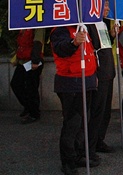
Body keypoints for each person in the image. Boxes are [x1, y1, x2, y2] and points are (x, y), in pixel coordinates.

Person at [50, 25, 99, 174]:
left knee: (83, 122)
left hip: (87, 80)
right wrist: (74, 43)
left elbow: (91, 51)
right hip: (70, 83)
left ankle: (77, 155)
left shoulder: (83, 27)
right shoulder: (60, 29)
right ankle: (68, 162)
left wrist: (93, 77)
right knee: (72, 124)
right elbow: (60, 49)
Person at [87, 0, 117, 156]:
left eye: (107, 5)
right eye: (105, 5)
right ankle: (89, 147)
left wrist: (112, 35)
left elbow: (104, 46)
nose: (107, 8)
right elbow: (91, 51)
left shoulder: (104, 24)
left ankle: (99, 140)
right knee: (96, 111)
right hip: (98, 74)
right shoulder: (88, 25)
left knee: (106, 111)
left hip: (108, 72)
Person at [10, 28, 45, 124]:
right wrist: (17, 58)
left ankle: (34, 113)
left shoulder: (37, 27)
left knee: (31, 88)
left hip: (32, 61)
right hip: (23, 61)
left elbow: (38, 43)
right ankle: (28, 107)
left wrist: (35, 61)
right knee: (15, 84)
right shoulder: (23, 26)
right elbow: (21, 44)